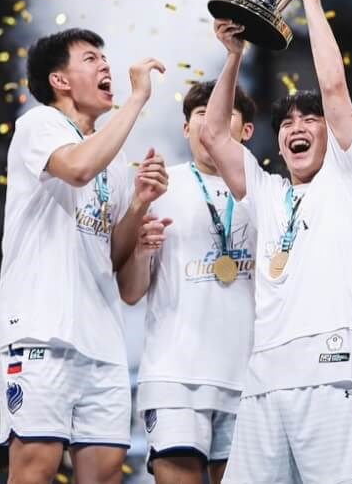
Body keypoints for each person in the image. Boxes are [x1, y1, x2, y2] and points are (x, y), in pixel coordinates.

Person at [200, 0, 352, 483]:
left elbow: (334, 87)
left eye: (310, 120)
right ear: (278, 143)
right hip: (265, 372)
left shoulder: (349, 176)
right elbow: (214, 135)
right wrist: (233, 55)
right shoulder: (267, 191)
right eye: (287, 123)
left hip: (333, 362)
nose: (296, 127)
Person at [0, 28, 167, 484]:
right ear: (60, 80)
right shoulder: (39, 124)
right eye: (91, 59)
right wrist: (136, 100)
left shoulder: (115, 159)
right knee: (34, 470)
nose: (105, 65)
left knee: (106, 475)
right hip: (41, 332)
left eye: (104, 58)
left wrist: (139, 205)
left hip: (102, 341)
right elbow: (76, 168)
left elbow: (115, 263)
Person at [118, 77, 258, 484]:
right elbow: (130, 292)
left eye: (224, 112)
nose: (210, 120)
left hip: (248, 378)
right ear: (186, 128)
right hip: (174, 377)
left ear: (246, 130)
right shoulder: (159, 189)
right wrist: (141, 251)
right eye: (200, 113)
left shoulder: (265, 191)